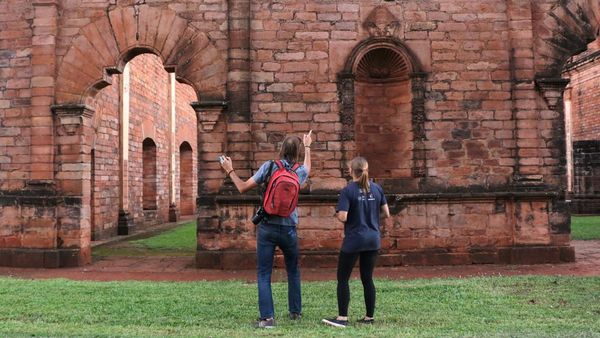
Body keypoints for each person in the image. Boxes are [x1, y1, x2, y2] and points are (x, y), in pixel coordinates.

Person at [219, 131, 312, 329]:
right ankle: (295, 312)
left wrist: (229, 170)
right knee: (293, 271)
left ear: (281, 150)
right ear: (298, 153)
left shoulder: (269, 167)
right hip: (289, 228)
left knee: (263, 273)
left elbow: (243, 187)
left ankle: (267, 319)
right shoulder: (299, 172)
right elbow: (308, 168)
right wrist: (309, 146)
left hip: (268, 226)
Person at [322, 156, 390, 328]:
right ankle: (369, 317)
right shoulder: (377, 189)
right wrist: (371, 217)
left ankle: (342, 318)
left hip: (354, 239)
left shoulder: (348, 191)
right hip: (373, 239)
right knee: (367, 278)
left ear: (351, 171)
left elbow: (343, 217)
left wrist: (337, 214)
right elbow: (386, 214)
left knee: (343, 279)